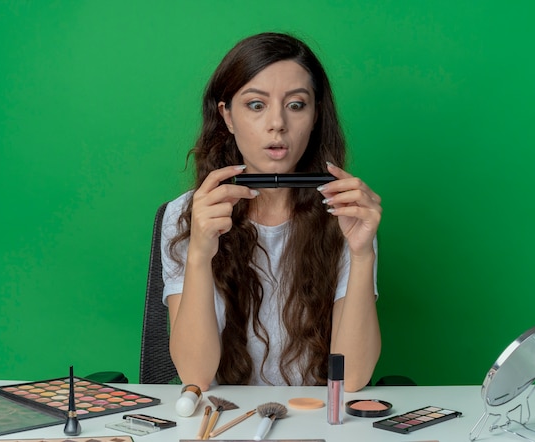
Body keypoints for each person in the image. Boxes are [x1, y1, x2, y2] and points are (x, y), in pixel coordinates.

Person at [161, 32, 381, 393]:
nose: (277, 123)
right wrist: (200, 254)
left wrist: (361, 254)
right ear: (227, 116)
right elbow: (195, 377)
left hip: (316, 418)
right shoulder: (186, 214)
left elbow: (353, 378)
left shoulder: (346, 210)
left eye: (296, 105)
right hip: (225, 419)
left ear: (315, 116)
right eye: (256, 105)